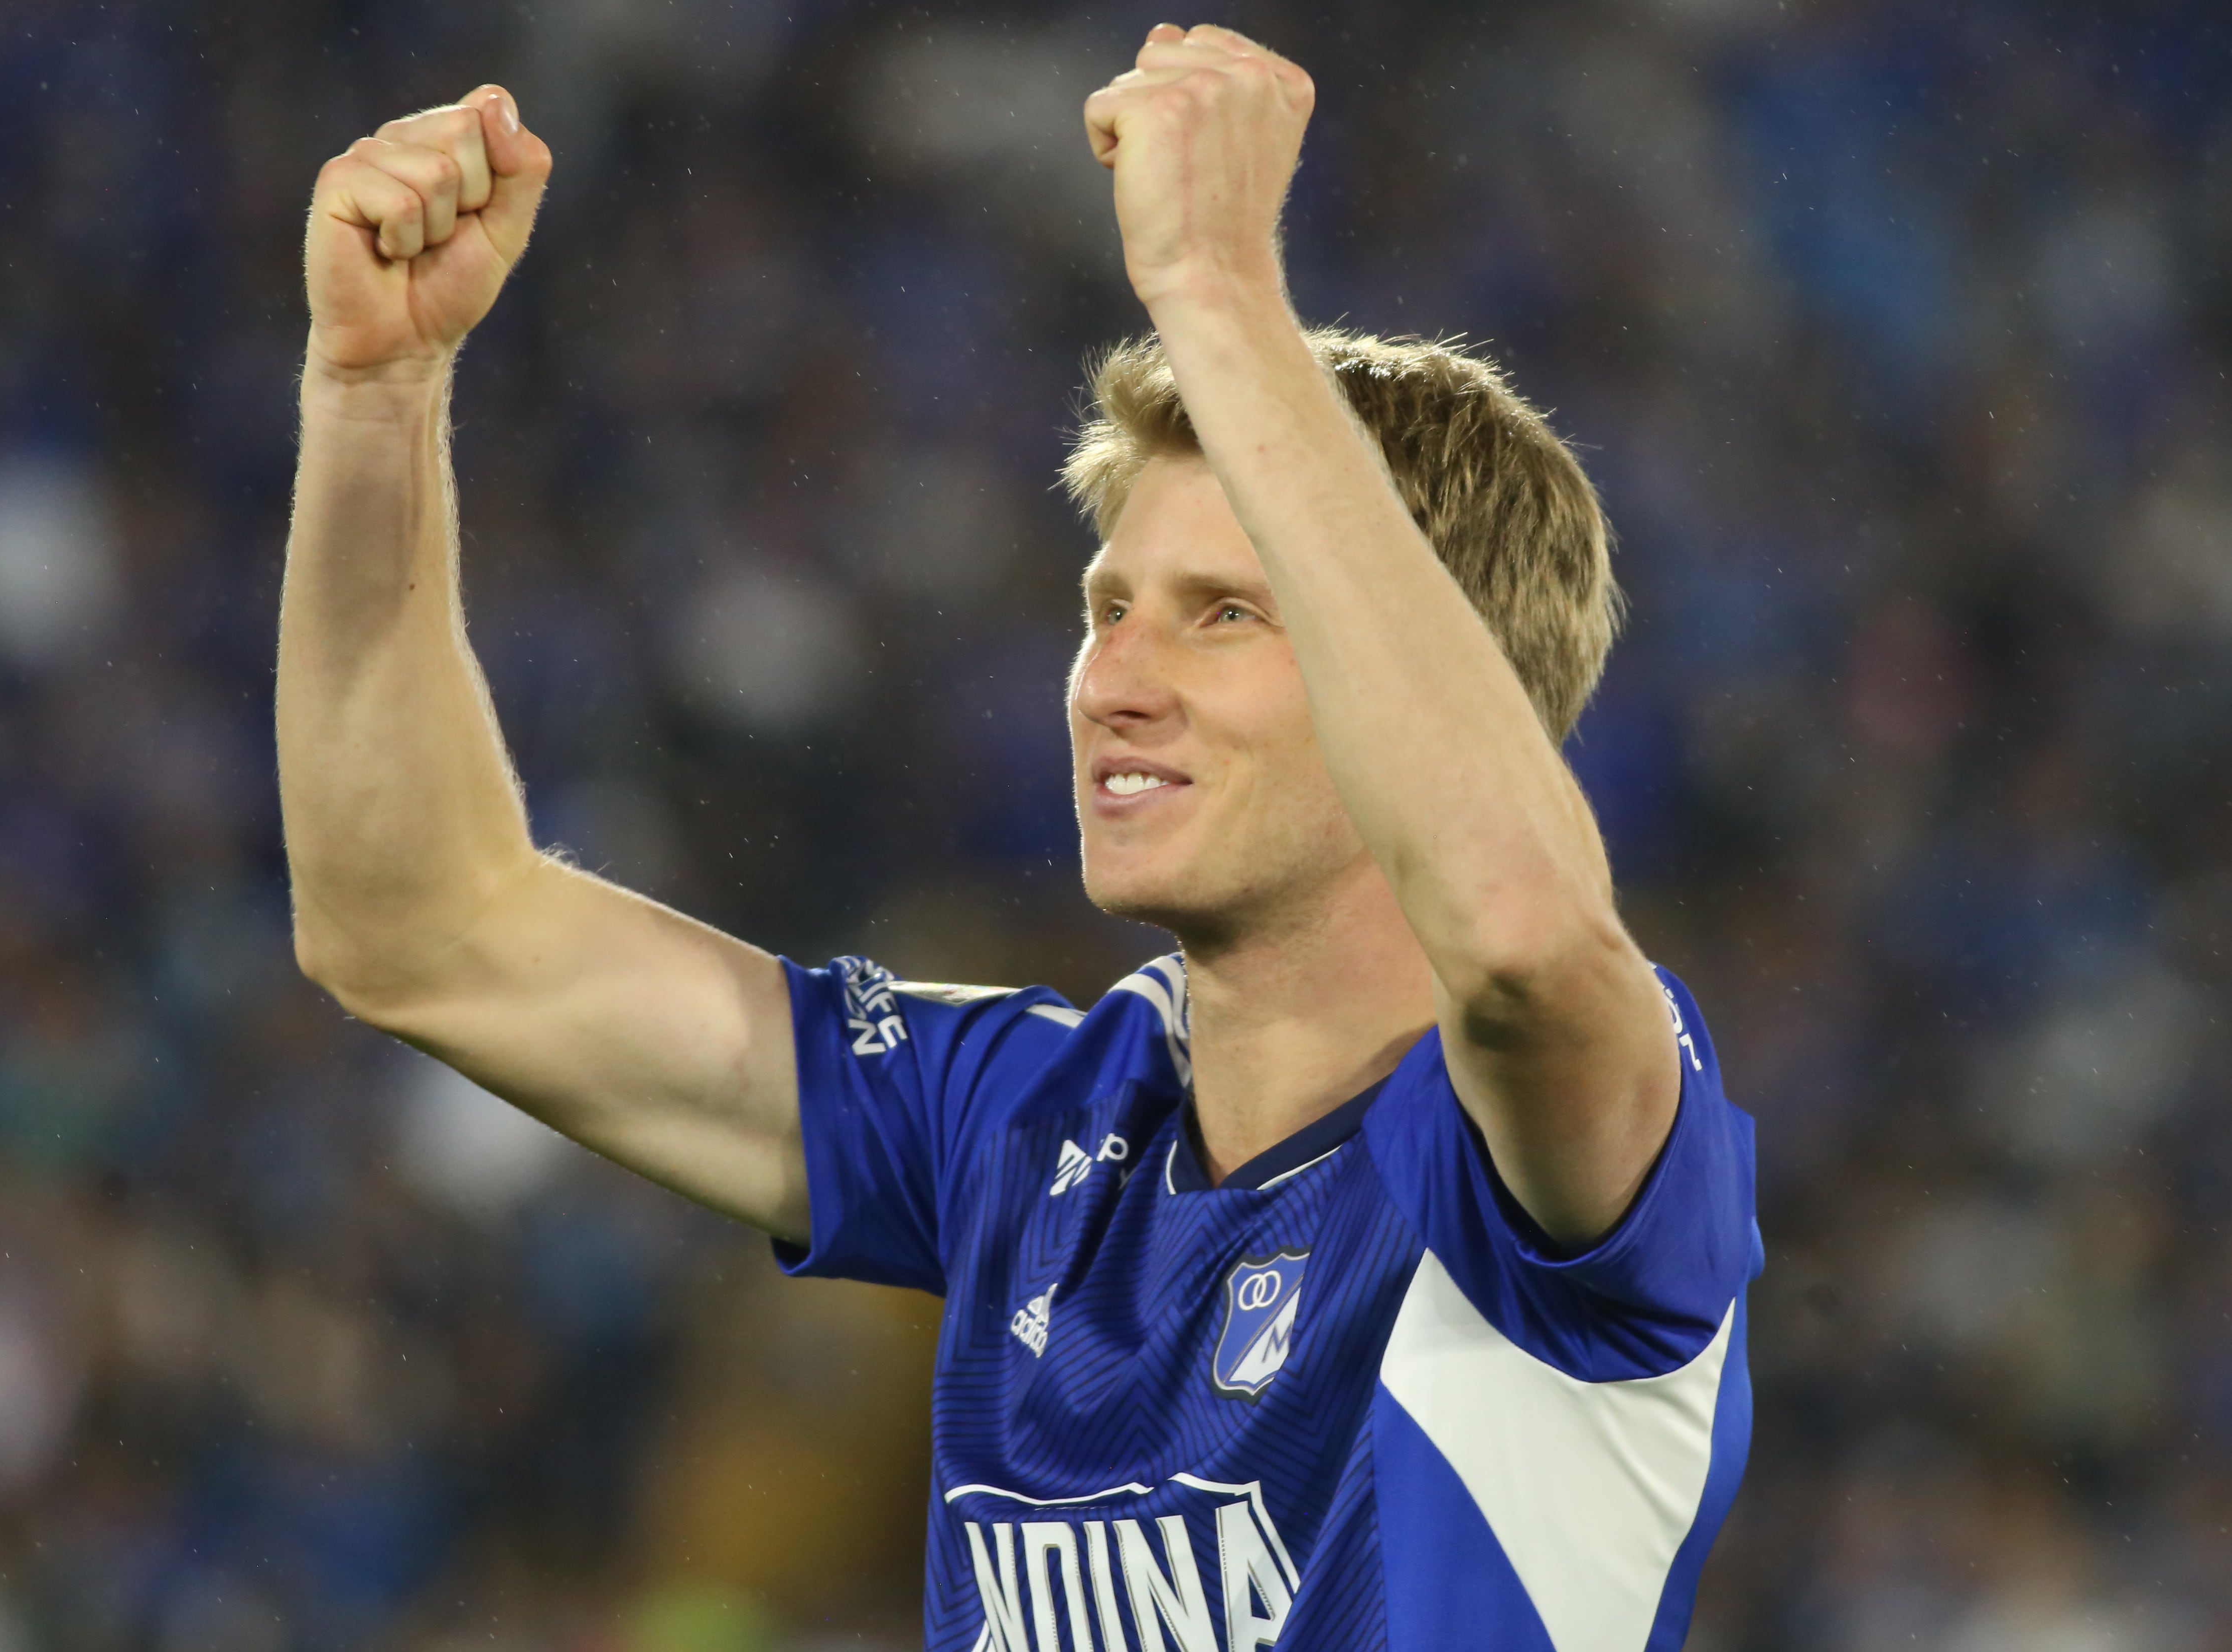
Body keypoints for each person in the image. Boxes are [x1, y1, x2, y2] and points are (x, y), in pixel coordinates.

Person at [278, 23, 1759, 1650]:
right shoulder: (1020, 1119)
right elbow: (421, 930)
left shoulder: (1565, 1158)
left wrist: (1217, 292)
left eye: (1220, 616)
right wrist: (375, 400)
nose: (1110, 681)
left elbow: (1526, 941)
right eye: (1105, 611)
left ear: (1408, 668)